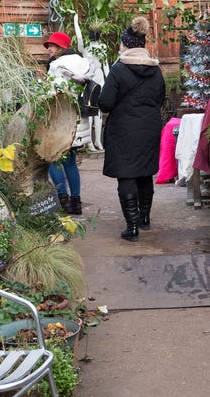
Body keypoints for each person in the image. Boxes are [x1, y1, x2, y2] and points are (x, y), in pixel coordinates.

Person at [98, 16, 167, 241]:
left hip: (123, 129)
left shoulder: (118, 70)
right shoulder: (155, 70)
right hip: (149, 126)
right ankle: (145, 218)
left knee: (126, 174)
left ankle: (133, 227)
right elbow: (161, 99)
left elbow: (105, 102)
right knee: (145, 171)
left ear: (126, 44)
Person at [44, 30, 97, 215]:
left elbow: (52, 94)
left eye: (52, 45)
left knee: (54, 159)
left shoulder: (57, 65)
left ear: (61, 47)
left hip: (61, 119)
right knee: (71, 162)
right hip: (79, 120)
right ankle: (76, 203)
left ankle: (63, 201)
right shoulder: (82, 62)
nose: (49, 49)